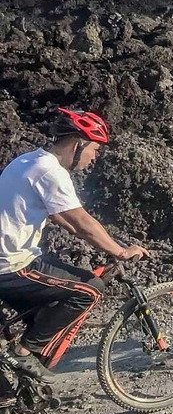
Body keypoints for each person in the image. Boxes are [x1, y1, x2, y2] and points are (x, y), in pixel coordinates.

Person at [0, 109, 147, 380]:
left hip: (11, 258)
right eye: (94, 149)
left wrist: (101, 241)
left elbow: (61, 217)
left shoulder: (28, 160)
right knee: (88, 290)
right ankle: (21, 352)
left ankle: (19, 385)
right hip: (11, 265)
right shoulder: (50, 171)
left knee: (48, 307)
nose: (94, 158)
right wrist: (120, 251)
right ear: (78, 143)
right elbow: (80, 222)